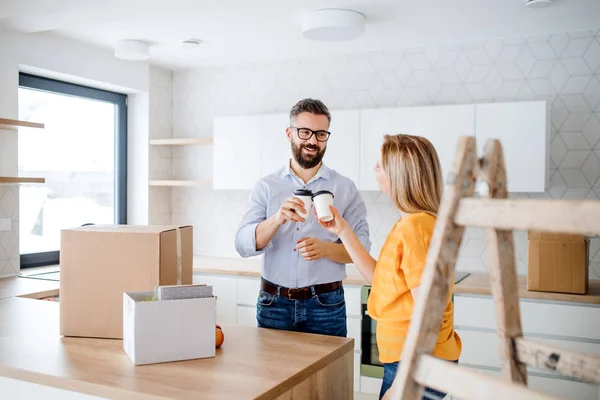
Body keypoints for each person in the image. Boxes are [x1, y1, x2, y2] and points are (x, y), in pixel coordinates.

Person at [317, 134, 461, 399]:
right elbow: (379, 278)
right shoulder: (414, 223)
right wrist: (342, 230)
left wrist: (405, 380)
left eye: (380, 165)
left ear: (399, 174)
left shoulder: (415, 228)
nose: (374, 169)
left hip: (417, 365)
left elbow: (428, 309)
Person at [235, 98, 370, 337]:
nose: (312, 141)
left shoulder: (345, 188)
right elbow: (243, 245)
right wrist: (276, 219)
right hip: (273, 304)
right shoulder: (266, 186)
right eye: (305, 132)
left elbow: (362, 251)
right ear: (290, 133)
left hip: (326, 306)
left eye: (320, 134)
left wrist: (326, 250)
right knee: (273, 374)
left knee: (330, 375)